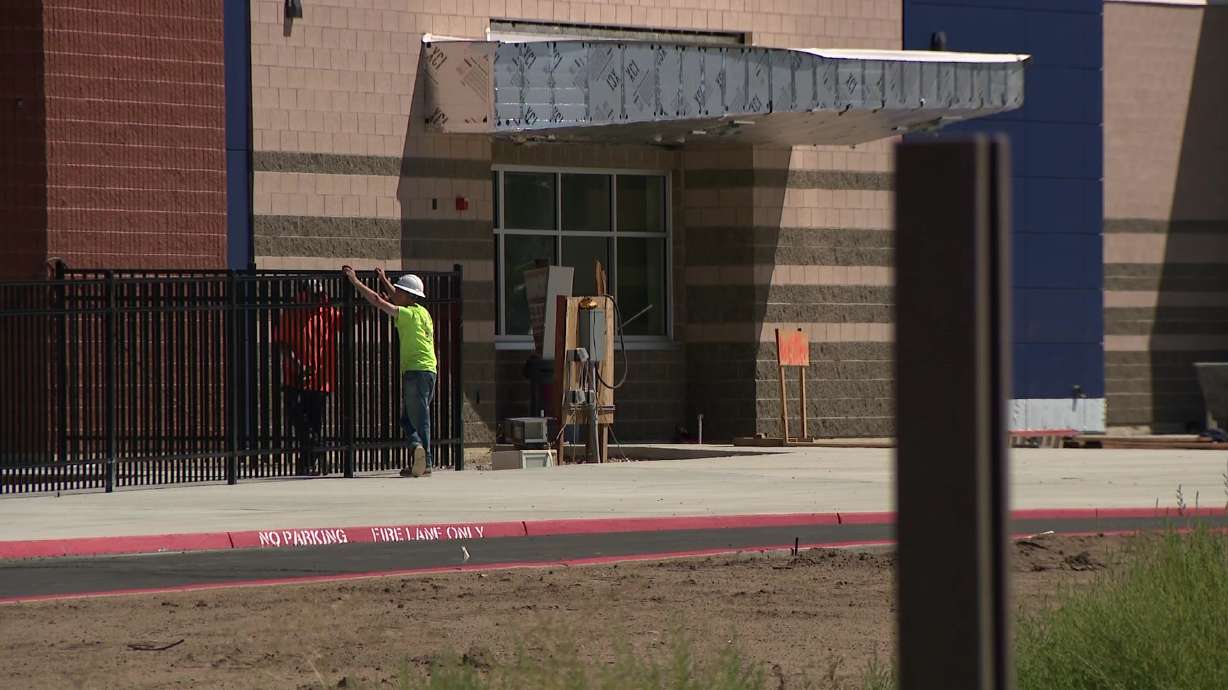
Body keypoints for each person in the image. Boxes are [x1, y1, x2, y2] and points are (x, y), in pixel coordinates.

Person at [343, 265, 437, 478]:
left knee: (419, 419)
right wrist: (385, 280)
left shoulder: (407, 314)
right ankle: (418, 453)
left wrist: (356, 282)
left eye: (400, 291)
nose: (396, 294)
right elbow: (396, 297)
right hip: (429, 371)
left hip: (416, 371)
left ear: (408, 295)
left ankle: (426, 460)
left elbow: (378, 301)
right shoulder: (423, 313)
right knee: (408, 419)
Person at [273, 279, 342, 476]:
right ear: (304, 294)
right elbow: (283, 345)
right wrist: (297, 366)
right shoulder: (292, 313)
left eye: (320, 294)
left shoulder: (326, 312)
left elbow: (347, 321)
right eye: (314, 294)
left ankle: (308, 462)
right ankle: (316, 450)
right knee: (299, 419)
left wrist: (373, 305)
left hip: (320, 378)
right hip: (294, 378)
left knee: (315, 420)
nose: (318, 298)